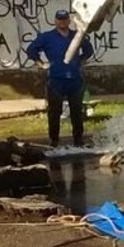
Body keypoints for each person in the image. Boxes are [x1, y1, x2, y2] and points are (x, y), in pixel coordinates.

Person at [26, 9, 95, 148]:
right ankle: (54, 140)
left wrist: (80, 61)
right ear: (55, 20)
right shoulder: (47, 37)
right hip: (56, 80)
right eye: (59, 19)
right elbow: (31, 50)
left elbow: (88, 50)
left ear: (68, 21)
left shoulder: (77, 36)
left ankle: (78, 140)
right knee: (54, 112)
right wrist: (40, 63)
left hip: (74, 80)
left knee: (77, 111)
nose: (62, 21)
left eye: (64, 19)